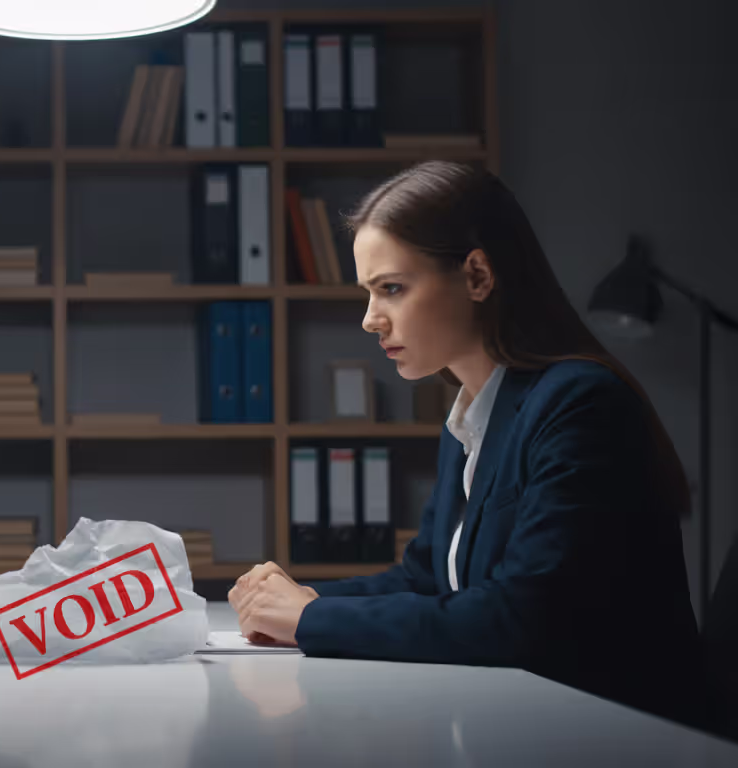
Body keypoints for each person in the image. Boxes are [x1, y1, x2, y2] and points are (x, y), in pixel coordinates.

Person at [229, 161, 706, 729]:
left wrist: (309, 620)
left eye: (392, 289)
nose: (369, 320)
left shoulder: (580, 403)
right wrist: (298, 601)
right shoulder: (472, 417)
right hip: (524, 725)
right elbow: (426, 578)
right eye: (369, 293)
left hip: (615, 738)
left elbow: (523, 618)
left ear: (478, 276)